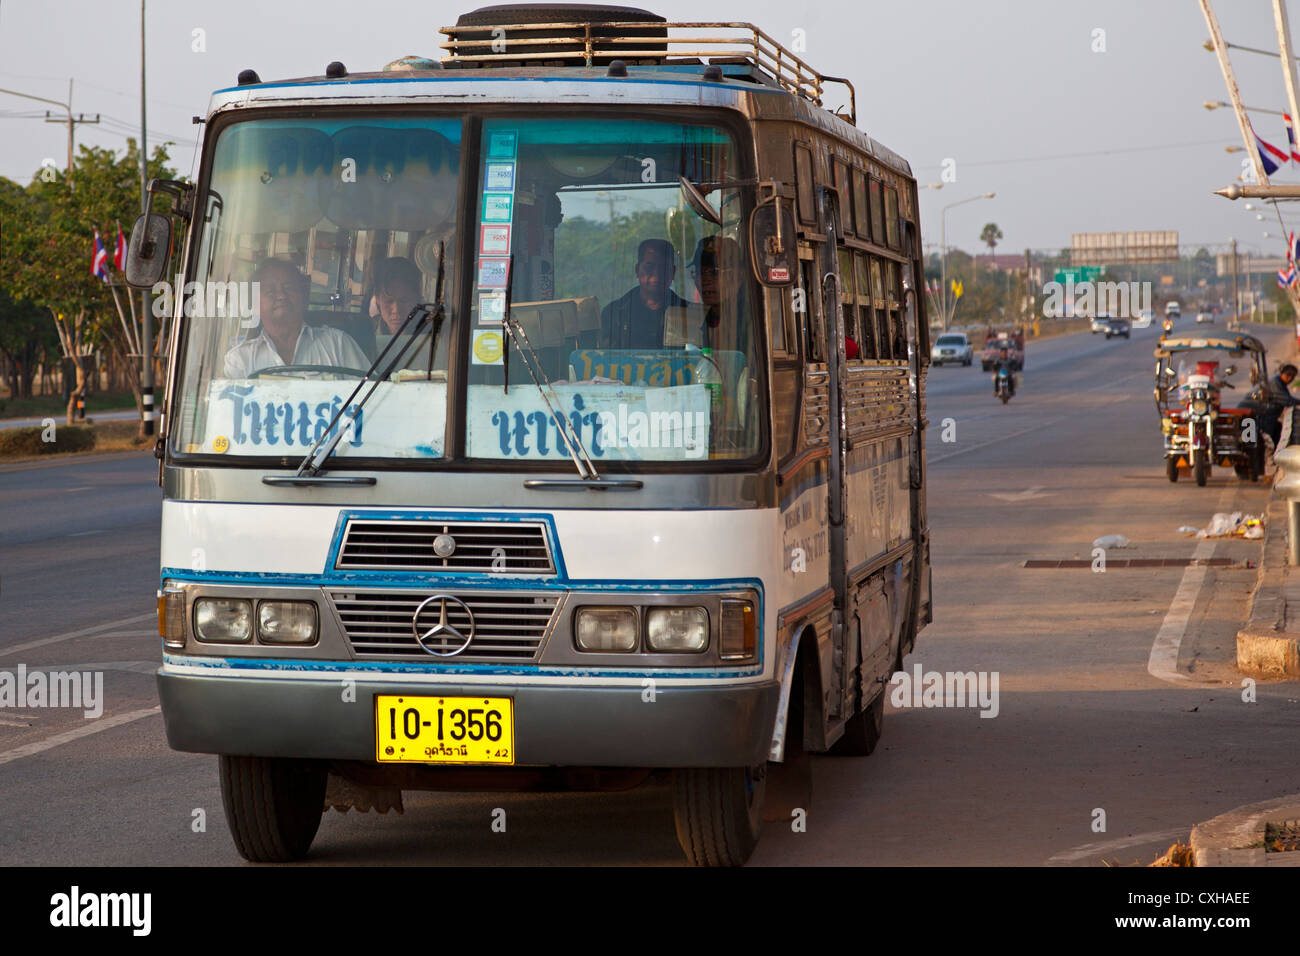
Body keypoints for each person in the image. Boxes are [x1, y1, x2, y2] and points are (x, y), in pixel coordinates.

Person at [224, 258, 369, 378]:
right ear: (255, 305)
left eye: (288, 288)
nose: (281, 296)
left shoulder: (338, 344)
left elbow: (372, 399)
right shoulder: (240, 360)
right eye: (270, 291)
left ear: (303, 296)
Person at [599, 239, 689, 350]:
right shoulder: (615, 314)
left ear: (673, 272)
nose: (657, 274)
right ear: (637, 270)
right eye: (649, 266)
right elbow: (606, 363)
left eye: (664, 267)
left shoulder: (689, 314)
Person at [688, 235, 749, 356]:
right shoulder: (695, 321)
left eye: (714, 272)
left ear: (739, 276)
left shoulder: (754, 322)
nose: (705, 280)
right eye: (699, 272)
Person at [1259, 362, 1300, 447]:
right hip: (1260, 415)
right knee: (1269, 438)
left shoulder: (1281, 384)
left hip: (1270, 416)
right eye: (1288, 375)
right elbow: (1286, 400)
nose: (1290, 378)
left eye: (1292, 376)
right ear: (1281, 373)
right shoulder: (1275, 382)